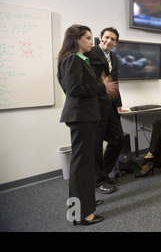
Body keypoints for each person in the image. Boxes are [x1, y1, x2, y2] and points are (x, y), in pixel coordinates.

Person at [57, 24, 118, 225]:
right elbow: (74, 89)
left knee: (83, 165)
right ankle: (80, 214)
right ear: (76, 39)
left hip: (85, 116)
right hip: (81, 117)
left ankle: (85, 202)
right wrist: (102, 86)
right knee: (80, 167)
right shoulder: (72, 59)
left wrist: (101, 87)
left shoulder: (80, 60)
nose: (92, 42)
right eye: (88, 38)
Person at [84, 27, 126, 194]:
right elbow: (89, 79)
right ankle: (99, 180)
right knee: (96, 145)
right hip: (95, 107)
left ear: (116, 42)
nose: (109, 41)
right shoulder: (90, 53)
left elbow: (114, 81)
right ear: (100, 37)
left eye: (113, 39)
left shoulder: (113, 56)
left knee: (119, 139)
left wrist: (118, 103)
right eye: (107, 37)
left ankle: (103, 173)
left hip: (110, 106)